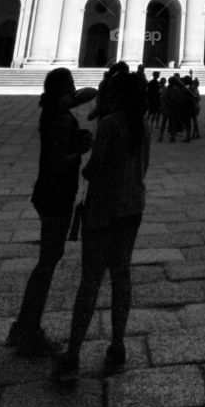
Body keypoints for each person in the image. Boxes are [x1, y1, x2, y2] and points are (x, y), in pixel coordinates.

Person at [54, 71, 150, 383]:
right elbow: (143, 168)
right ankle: (118, 344)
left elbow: (95, 169)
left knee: (90, 282)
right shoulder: (143, 125)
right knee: (122, 276)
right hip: (131, 208)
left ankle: (72, 355)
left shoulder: (109, 124)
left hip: (103, 209)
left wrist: (84, 157)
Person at [8, 69, 96, 356]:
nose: (73, 89)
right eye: (69, 84)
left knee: (47, 261)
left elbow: (81, 97)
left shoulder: (52, 111)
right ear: (62, 89)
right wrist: (81, 149)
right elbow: (61, 160)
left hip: (47, 192)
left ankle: (22, 325)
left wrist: (93, 90)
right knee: (47, 263)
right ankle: (29, 331)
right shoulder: (58, 118)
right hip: (57, 193)